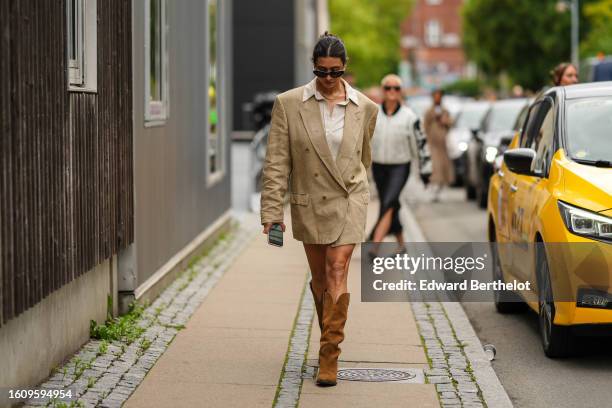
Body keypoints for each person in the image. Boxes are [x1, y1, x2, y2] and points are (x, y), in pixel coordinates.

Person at [260, 32, 379, 387]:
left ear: (345, 68)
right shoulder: (289, 104)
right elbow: (277, 162)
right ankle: (330, 335)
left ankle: (329, 355)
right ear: (313, 67)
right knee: (321, 279)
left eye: (335, 72)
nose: (328, 79)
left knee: (337, 267)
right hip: (309, 199)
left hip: (349, 198)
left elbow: (363, 157)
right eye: (322, 71)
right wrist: (271, 212)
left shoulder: (366, 108)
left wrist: (356, 187)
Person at [368, 74, 418, 255]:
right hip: (379, 166)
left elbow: (418, 144)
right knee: (390, 203)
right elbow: (365, 141)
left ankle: (374, 245)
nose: (391, 91)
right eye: (388, 88)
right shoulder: (373, 113)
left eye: (396, 88)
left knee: (388, 202)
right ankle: (401, 245)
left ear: (400, 91)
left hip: (400, 166)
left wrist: (424, 171)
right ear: (383, 91)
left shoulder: (409, 117)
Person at [423, 89, 454, 201]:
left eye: (439, 96)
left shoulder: (445, 110)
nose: (437, 98)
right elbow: (425, 125)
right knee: (435, 166)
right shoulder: (429, 111)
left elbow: (451, 123)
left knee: (443, 166)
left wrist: (445, 122)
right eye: (435, 96)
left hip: (443, 143)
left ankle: (440, 188)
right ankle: (433, 189)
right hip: (432, 142)